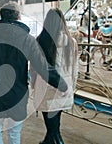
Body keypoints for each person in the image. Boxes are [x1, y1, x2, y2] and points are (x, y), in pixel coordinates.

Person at [0, 2, 68, 144]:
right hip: (17, 98)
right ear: (18, 16)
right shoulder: (28, 40)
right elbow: (43, 68)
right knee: (14, 135)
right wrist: (62, 85)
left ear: (2, 17)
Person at [30, 8, 79, 144]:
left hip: (46, 89)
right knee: (55, 124)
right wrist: (71, 88)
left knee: (53, 129)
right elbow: (75, 69)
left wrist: (33, 85)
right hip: (64, 89)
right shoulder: (71, 42)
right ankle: (47, 141)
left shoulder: (40, 41)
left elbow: (33, 69)